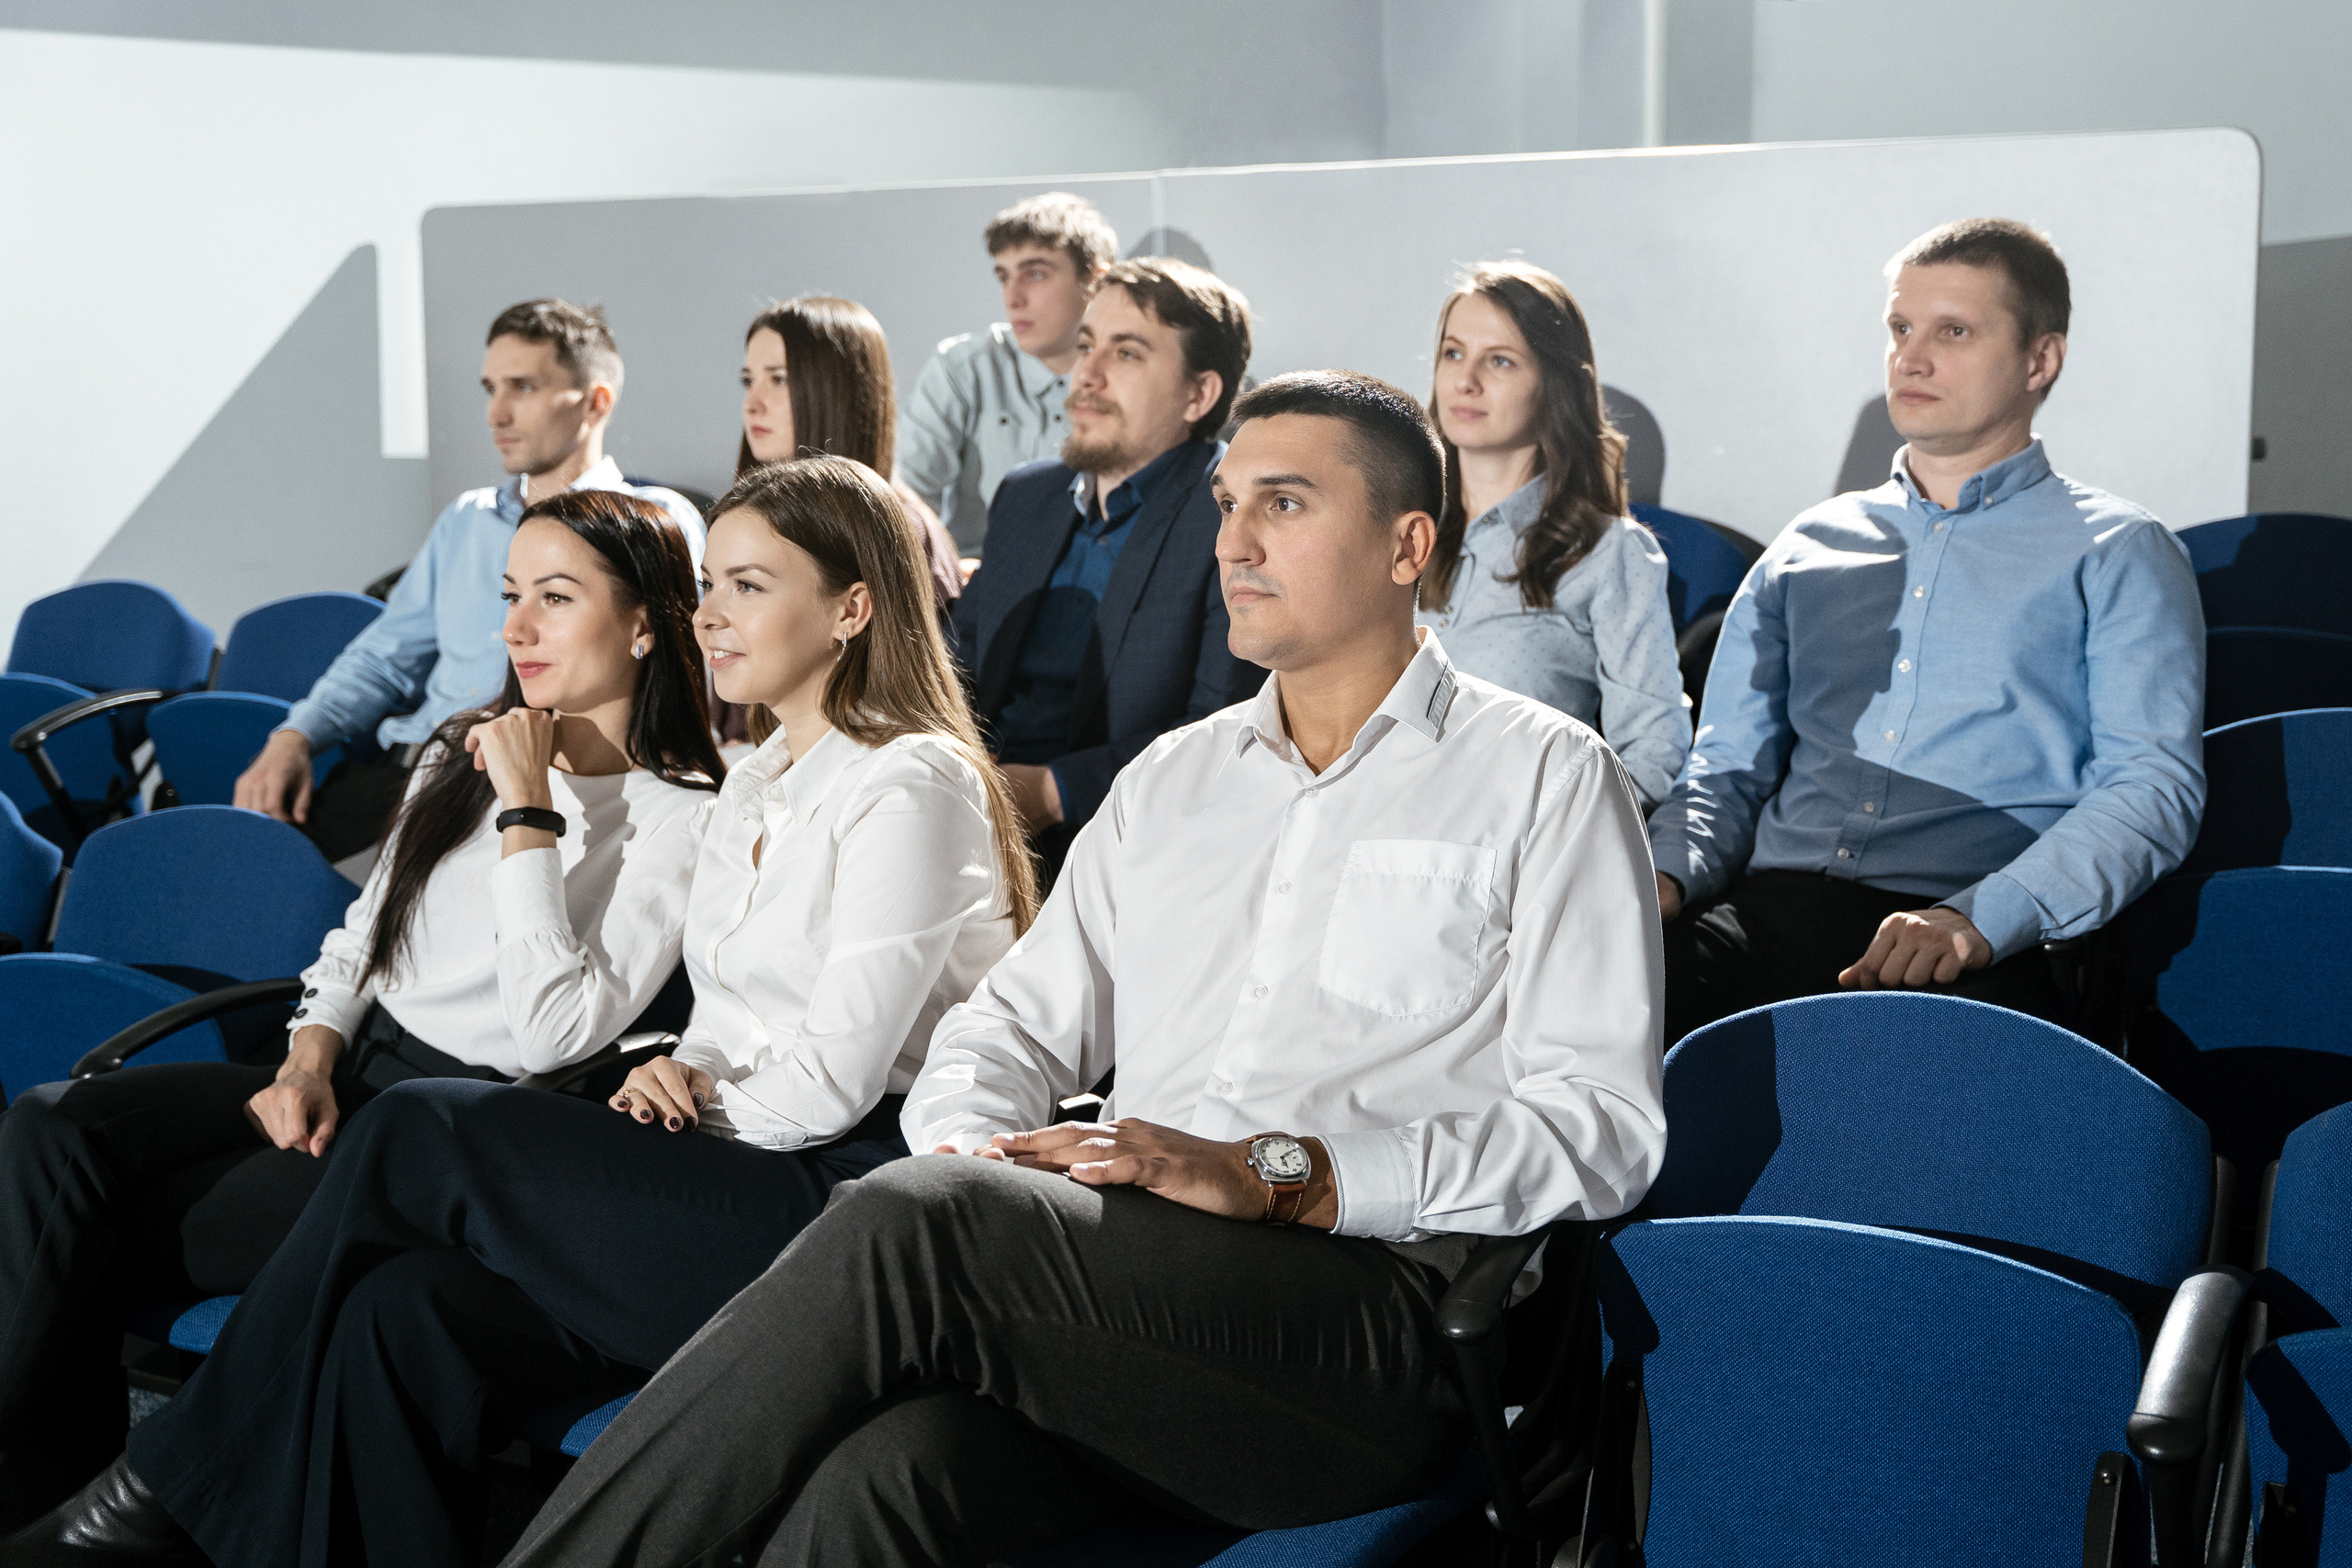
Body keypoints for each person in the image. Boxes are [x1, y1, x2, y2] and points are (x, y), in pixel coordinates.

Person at [495, 370, 1668, 1568]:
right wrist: (982, 1147)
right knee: (884, 1474)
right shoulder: (1174, 780)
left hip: (1370, 1325)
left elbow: (1604, 1127)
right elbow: (1006, 1025)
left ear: (1407, 545)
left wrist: (1279, 1174)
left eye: (1284, 504)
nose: (1235, 541)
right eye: (1226, 504)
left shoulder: (1544, 775)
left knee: (917, 1215)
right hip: (1130, 1290)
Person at [9, 457, 1039, 1568]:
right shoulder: (762, 778)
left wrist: (690, 1090)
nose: (712, 615)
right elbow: (728, 1015)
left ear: (852, 609)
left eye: (747, 586)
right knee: (397, 1310)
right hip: (726, 1151)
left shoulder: (908, 781)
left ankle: (163, 1483)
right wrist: (681, 1067)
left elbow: (830, 1083)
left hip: (840, 1203)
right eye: (712, 586)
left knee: (421, 1122)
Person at [0, 488, 720, 1532]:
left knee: (82, 1236)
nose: (515, 628)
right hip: (344, 1072)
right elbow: (360, 941)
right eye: (511, 595)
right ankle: (38, 1503)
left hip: (444, 1136)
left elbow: (551, 1031)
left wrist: (531, 809)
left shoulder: (682, 817)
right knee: (49, 1127)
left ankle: (89, 1523)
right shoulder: (456, 753)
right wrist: (305, 1059)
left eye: (555, 599)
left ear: (647, 623)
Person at [1648, 219, 2207, 1045]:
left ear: (2040, 361)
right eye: (1901, 328)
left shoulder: (2121, 549)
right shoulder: (1806, 546)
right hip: (1767, 912)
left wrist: (1981, 917)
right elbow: (1727, 769)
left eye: (1953, 332)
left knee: (1931, 1081)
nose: (1910, 359)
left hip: (1972, 932)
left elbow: (2150, 789)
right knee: (1584, 1001)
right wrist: (1661, 876)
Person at [233, 299, 707, 863]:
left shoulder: (654, 520)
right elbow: (384, 658)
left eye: (522, 387)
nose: (496, 414)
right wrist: (295, 736)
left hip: (531, 779)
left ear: (595, 402)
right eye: (490, 389)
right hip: (409, 771)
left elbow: (684, 675)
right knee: (233, 868)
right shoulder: (467, 519)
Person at [953, 256, 1261, 877]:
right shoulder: (1026, 495)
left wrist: (1049, 792)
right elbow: (954, 664)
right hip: (969, 819)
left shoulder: (1233, 518)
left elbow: (1223, 730)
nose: (1086, 375)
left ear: (1199, 394)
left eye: (1125, 354)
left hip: (1132, 851)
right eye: (1086, 345)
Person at [1417, 262, 1690, 809]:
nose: (1465, 380)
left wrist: (1557, 834)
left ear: (1556, 386)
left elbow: (1652, 752)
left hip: (1506, 838)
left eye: (1499, 360)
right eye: (1453, 353)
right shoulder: (1399, 531)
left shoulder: (1609, 552)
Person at [896, 191, 1119, 553]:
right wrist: (944, 567)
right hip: (975, 576)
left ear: (1096, 281)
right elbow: (904, 495)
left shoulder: (1133, 377)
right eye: (1004, 277)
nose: (1012, 298)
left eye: (1035, 274)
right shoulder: (963, 366)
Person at [736, 294, 964, 620]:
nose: (752, 403)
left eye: (779, 379)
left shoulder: (897, 531)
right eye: (748, 381)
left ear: (837, 391)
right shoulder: (760, 519)